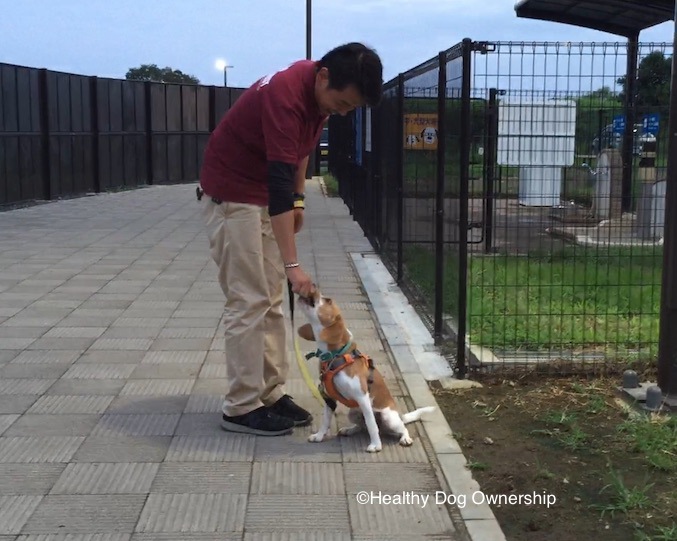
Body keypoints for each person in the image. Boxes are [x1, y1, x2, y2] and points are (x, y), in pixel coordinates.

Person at [198, 42, 384, 436]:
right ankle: (241, 406)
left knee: (272, 301)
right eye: (343, 103)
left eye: (351, 108)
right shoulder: (285, 96)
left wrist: (300, 199)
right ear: (324, 77)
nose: (343, 111)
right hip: (234, 196)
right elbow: (279, 181)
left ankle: (269, 393)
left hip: (261, 195)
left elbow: (300, 153)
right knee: (249, 301)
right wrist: (293, 265)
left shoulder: (316, 97)